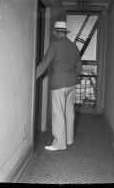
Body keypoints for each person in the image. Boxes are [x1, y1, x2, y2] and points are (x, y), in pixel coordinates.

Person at [36, 21, 82, 151]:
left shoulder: (55, 45)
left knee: (58, 113)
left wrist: (33, 76)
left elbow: (45, 63)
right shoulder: (74, 47)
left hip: (59, 84)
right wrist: (71, 75)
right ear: (65, 32)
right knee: (69, 112)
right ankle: (69, 139)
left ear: (56, 32)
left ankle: (59, 143)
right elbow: (79, 68)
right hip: (72, 84)